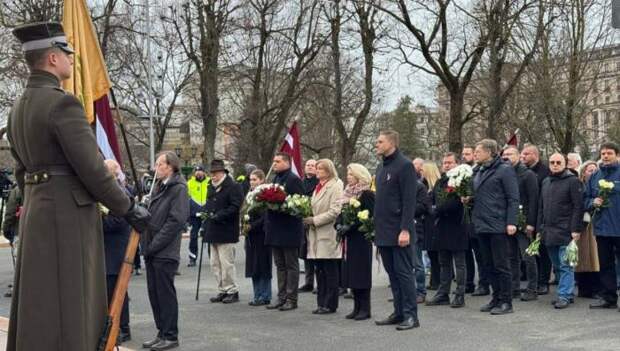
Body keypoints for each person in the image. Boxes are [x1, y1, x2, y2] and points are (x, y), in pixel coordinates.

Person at [6, 22, 149, 351]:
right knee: (72, 302)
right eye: (67, 54)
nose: (72, 60)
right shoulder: (63, 104)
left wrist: (39, 199)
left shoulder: (17, 109)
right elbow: (94, 170)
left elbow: (21, 171)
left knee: (40, 302)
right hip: (68, 216)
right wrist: (128, 208)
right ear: (53, 58)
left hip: (38, 211)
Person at [142, 151, 189, 351]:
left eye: (159, 164)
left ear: (169, 166)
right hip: (153, 249)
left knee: (165, 294)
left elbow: (176, 221)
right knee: (154, 294)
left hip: (164, 250)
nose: (155, 167)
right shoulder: (159, 186)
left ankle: (170, 335)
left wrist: (154, 245)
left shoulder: (178, 188)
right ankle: (161, 332)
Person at [373, 130, 419, 331]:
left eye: (380, 142)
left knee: (404, 274)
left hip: (399, 231)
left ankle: (411, 316)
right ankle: (398, 312)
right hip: (383, 231)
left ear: (391, 143)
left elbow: (409, 201)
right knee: (393, 275)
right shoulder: (381, 167)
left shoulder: (405, 165)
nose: (377, 144)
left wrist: (405, 230)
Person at [467, 139, 519, 315]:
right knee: (488, 264)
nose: (475, 154)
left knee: (501, 264)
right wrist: (469, 199)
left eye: (478, 151)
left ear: (490, 152)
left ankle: (506, 301)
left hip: (498, 224)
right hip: (481, 224)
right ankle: (495, 298)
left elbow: (513, 198)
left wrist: (512, 221)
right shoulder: (479, 171)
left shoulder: (504, 170)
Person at [537, 153, 583, 309]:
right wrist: (539, 228)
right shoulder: (545, 182)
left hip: (566, 231)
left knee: (565, 265)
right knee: (557, 265)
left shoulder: (573, 181)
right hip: (549, 231)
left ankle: (564, 295)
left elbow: (578, 206)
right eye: (552, 162)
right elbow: (541, 208)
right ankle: (567, 294)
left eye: (558, 162)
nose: (555, 164)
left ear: (565, 164)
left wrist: (576, 229)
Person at [427, 152, 469, 308]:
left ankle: (459, 294)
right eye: (444, 163)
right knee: (443, 262)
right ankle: (443, 293)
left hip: (457, 225)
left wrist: (436, 209)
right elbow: (431, 200)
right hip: (442, 226)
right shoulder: (440, 181)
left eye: (450, 162)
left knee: (459, 263)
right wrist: (433, 208)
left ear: (457, 164)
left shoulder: (461, 181)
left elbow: (453, 204)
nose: (446, 165)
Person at [264, 152, 305, 311]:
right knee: (280, 265)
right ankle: (281, 297)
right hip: (275, 229)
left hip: (289, 230)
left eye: (277, 161)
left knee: (291, 265)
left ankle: (291, 298)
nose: (274, 164)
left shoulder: (293, 180)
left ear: (287, 163)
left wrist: (282, 206)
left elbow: (300, 204)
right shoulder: (276, 178)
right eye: (274, 161)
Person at [303, 159, 344, 314]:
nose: (317, 171)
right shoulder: (318, 187)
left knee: (330, 271)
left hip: (328, 233)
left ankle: (330, 304)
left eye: (320, 168)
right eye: (317, 168)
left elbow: (335, 211)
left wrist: (314, 220)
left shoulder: (336, 185)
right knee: (320, 271)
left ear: (328, 170)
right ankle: (321, 302)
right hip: (315, 234)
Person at [203, 159, 244, 304]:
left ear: (222, 172)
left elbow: (235, 207)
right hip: (212, 229)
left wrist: (219, 215)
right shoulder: (211, 186)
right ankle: (222, 289)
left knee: (227, 263)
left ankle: (232, 290)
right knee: (215, 263)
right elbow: (208, 205)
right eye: (211, 173)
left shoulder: (233, 187)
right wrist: (205, 218)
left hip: (226, 229)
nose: (212, 176)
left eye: (215, 173)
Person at [501, 146, 539, 301]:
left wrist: (530, 223)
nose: (507, 157)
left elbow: (534, 199)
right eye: (505, 154)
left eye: (510, 154)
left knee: (528, 256)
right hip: (509, 220)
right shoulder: (505, 173)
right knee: (511, 257)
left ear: (518, 156)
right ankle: (514, 287)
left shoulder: (527, 174)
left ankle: (532, 288)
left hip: (524, 221)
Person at [585, 142, 620, 310]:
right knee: (605, 264)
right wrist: (593, 202)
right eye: (603, 153)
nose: (605, 156)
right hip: (602, 228)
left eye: (609, 153)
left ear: (617, 155)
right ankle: (609, 298)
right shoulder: (595, 176)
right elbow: (585, 198)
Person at [338, 163, 375, 320]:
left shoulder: (366, 194)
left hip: (361, 238)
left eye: (351, 174)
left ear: (360, 176)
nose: (348, 177)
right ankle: (356, 306)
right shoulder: (347, 193)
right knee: (351, 273)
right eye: (348, 174)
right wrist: (339, 224)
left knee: (361, 273)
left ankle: (365, 308)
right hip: (349, 239)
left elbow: (369, 216)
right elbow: (341, 213)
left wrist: (351, 225)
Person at [102, 159, 133, 344]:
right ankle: (113, 326)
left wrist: (96, 221)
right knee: (108, 291)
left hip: (115, 249)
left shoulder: (120, 193)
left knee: (118, 291)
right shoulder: (108, 192)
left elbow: (117, 221)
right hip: (107, 250)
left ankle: (123, 328)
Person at [521, 143, 553, 295]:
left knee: (542, 250)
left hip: (541, 215)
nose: (523, 156)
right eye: (522, 154)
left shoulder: (544, 172)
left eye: (526, 154)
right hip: (527, 215)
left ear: (535, 155)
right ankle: (532, 280)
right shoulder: (524, 171)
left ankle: (543, 281)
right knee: (531, 251)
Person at [244, 169, 273, 306]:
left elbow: (265, 216)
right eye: (250, 179)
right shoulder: (249, 194)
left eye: (255, 179)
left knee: (263, 265)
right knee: (253, 266)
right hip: (251, 236)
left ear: (262, 180)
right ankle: (257, 295)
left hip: (262, 234)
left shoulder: (266, 194)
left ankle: (265, 295)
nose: (252, 182)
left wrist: (253, 225)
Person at [462, 145, 488, 296]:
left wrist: (470, 198)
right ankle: (468, 282)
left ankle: (484, 283)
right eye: (463, 154)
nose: (465, 156)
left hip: (477, 218)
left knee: (480, 254)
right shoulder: (462, 172)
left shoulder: (478, 171)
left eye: (469, 153)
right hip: (465, 219)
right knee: (466, 254)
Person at [575, 161, 602, 298]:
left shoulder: (601, 186)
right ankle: (583, 288)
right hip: (582, 225)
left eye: (595, 170)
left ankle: (596, 289)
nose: (593, 173)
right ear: (583, 172)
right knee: (581, 257)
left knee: (595, 258)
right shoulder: (579, 185)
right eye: (589, 170)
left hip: (595, 225)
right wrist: (591, 203)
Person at [420, 161, 442, 290]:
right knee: (431, 253)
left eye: (423, 170)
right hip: (427, 223)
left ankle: (437, 281)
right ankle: (434, 280)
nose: (421, 172)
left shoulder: (436, 187)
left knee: (435, 254)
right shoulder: (425, 186)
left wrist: (430, 209)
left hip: (434, 223)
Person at [300, 159, 319, 293]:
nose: (310, 167)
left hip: (316, 220)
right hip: (302, 221)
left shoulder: (319, 183)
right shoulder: (300, 183)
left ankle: (320, 282)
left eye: (313, 165)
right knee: (306, 252)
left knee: (317, 252)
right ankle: (308, 282)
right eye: (308, 165)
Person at [187, 165, 209, 267]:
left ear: (204, 172)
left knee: (209, 236)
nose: (198, 173)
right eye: (196, 171)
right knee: (193, 236)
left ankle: (213, 257)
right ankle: (192, 258)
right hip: (194, 215)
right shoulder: (189, 183)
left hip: (207, 213)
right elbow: (186, 199)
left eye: (200, 171)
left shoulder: (209, 182)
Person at [2, 185, 21, 298]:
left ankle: (18, 287)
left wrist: (6, 231)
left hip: (19, 230)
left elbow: (10, 213)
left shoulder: (17, 190)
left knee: (18, 260)